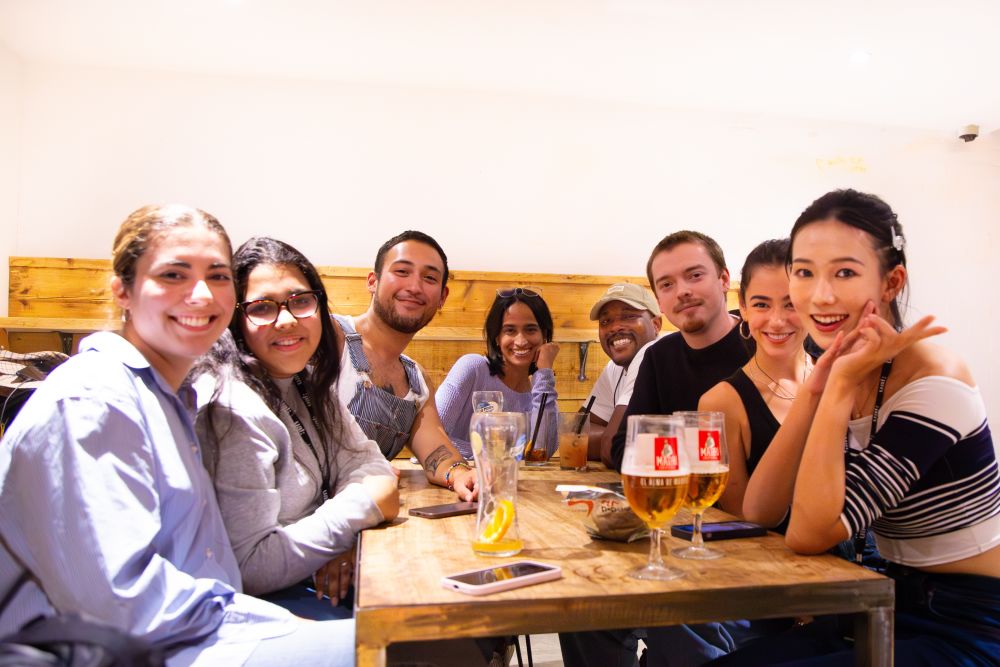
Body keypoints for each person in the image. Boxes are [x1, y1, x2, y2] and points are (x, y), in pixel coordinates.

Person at [0, 205, 353, 666]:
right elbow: (123, 609)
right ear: (123, 291)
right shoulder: (93, 401)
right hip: (118, 652)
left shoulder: (174, 400)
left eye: (218, 276)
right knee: (398, 648)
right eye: (173, 275)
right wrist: (282, 625)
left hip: (195, 633)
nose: (202, 295)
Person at [713, 189, 1000, 666]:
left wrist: (837, 383)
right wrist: (817, 389)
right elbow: (761, 509)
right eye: (804, 272)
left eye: (844, 272)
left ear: (891, 282)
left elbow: (808, 533)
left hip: (970, 624)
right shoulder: (847, 367)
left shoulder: (935, 382)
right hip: (882, 602)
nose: (820, 295)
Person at [561, 231, 756, 667]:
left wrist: (666, 448)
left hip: (752, 538)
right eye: (667, 284)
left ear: (724, 279)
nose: (681, 291)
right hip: (676, 530)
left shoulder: (760, 342)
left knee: (675, 610)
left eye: (694, 275)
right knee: (583, 606)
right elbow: (623, 447)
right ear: (660, 300)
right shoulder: (659, 356)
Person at [191, 237, 399, 620]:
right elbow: (249, 566)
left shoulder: (307, 383)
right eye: (262, 307)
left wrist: (341, 540)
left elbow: (365, 463)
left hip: (309, 579)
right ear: (235, 320)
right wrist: (359, 509)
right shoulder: (231, 408)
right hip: (252, 608)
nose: (286, 320)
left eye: (300, 301)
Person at [332, 231, 477, 500]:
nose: (415, 287)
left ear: (442, 297)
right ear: (372, 281)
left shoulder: (417, 381)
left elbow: (437, 453)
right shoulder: (328, 336)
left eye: (429, 278)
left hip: (365, 519)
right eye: (402, 271)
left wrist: (460, 474)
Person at [697, 239, 810, 523]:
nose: (777, 320)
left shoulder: (841, 379)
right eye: (761, 305)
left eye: (791, 304)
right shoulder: (718, 403)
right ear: (743, 307)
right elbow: (742, 519)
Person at [435, 288, 560, 459]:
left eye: (530, 329)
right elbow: (433, 438)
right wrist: (502, 456)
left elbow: (541, 453)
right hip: (450, 475)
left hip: (512, 478)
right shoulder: (473, 368)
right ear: (496, 337)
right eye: (510, 330)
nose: (521, 341)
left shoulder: (540, 394)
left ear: (544, 335)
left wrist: (544, 372)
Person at [584, 282, 662, 465]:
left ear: (656, 324)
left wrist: (616, 438)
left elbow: (611, 449)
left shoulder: (653, 352)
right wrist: (619, 437)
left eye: (629, 316)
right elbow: (576, 431)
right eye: (605, 321)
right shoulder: (614, 367)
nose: (615, 327)